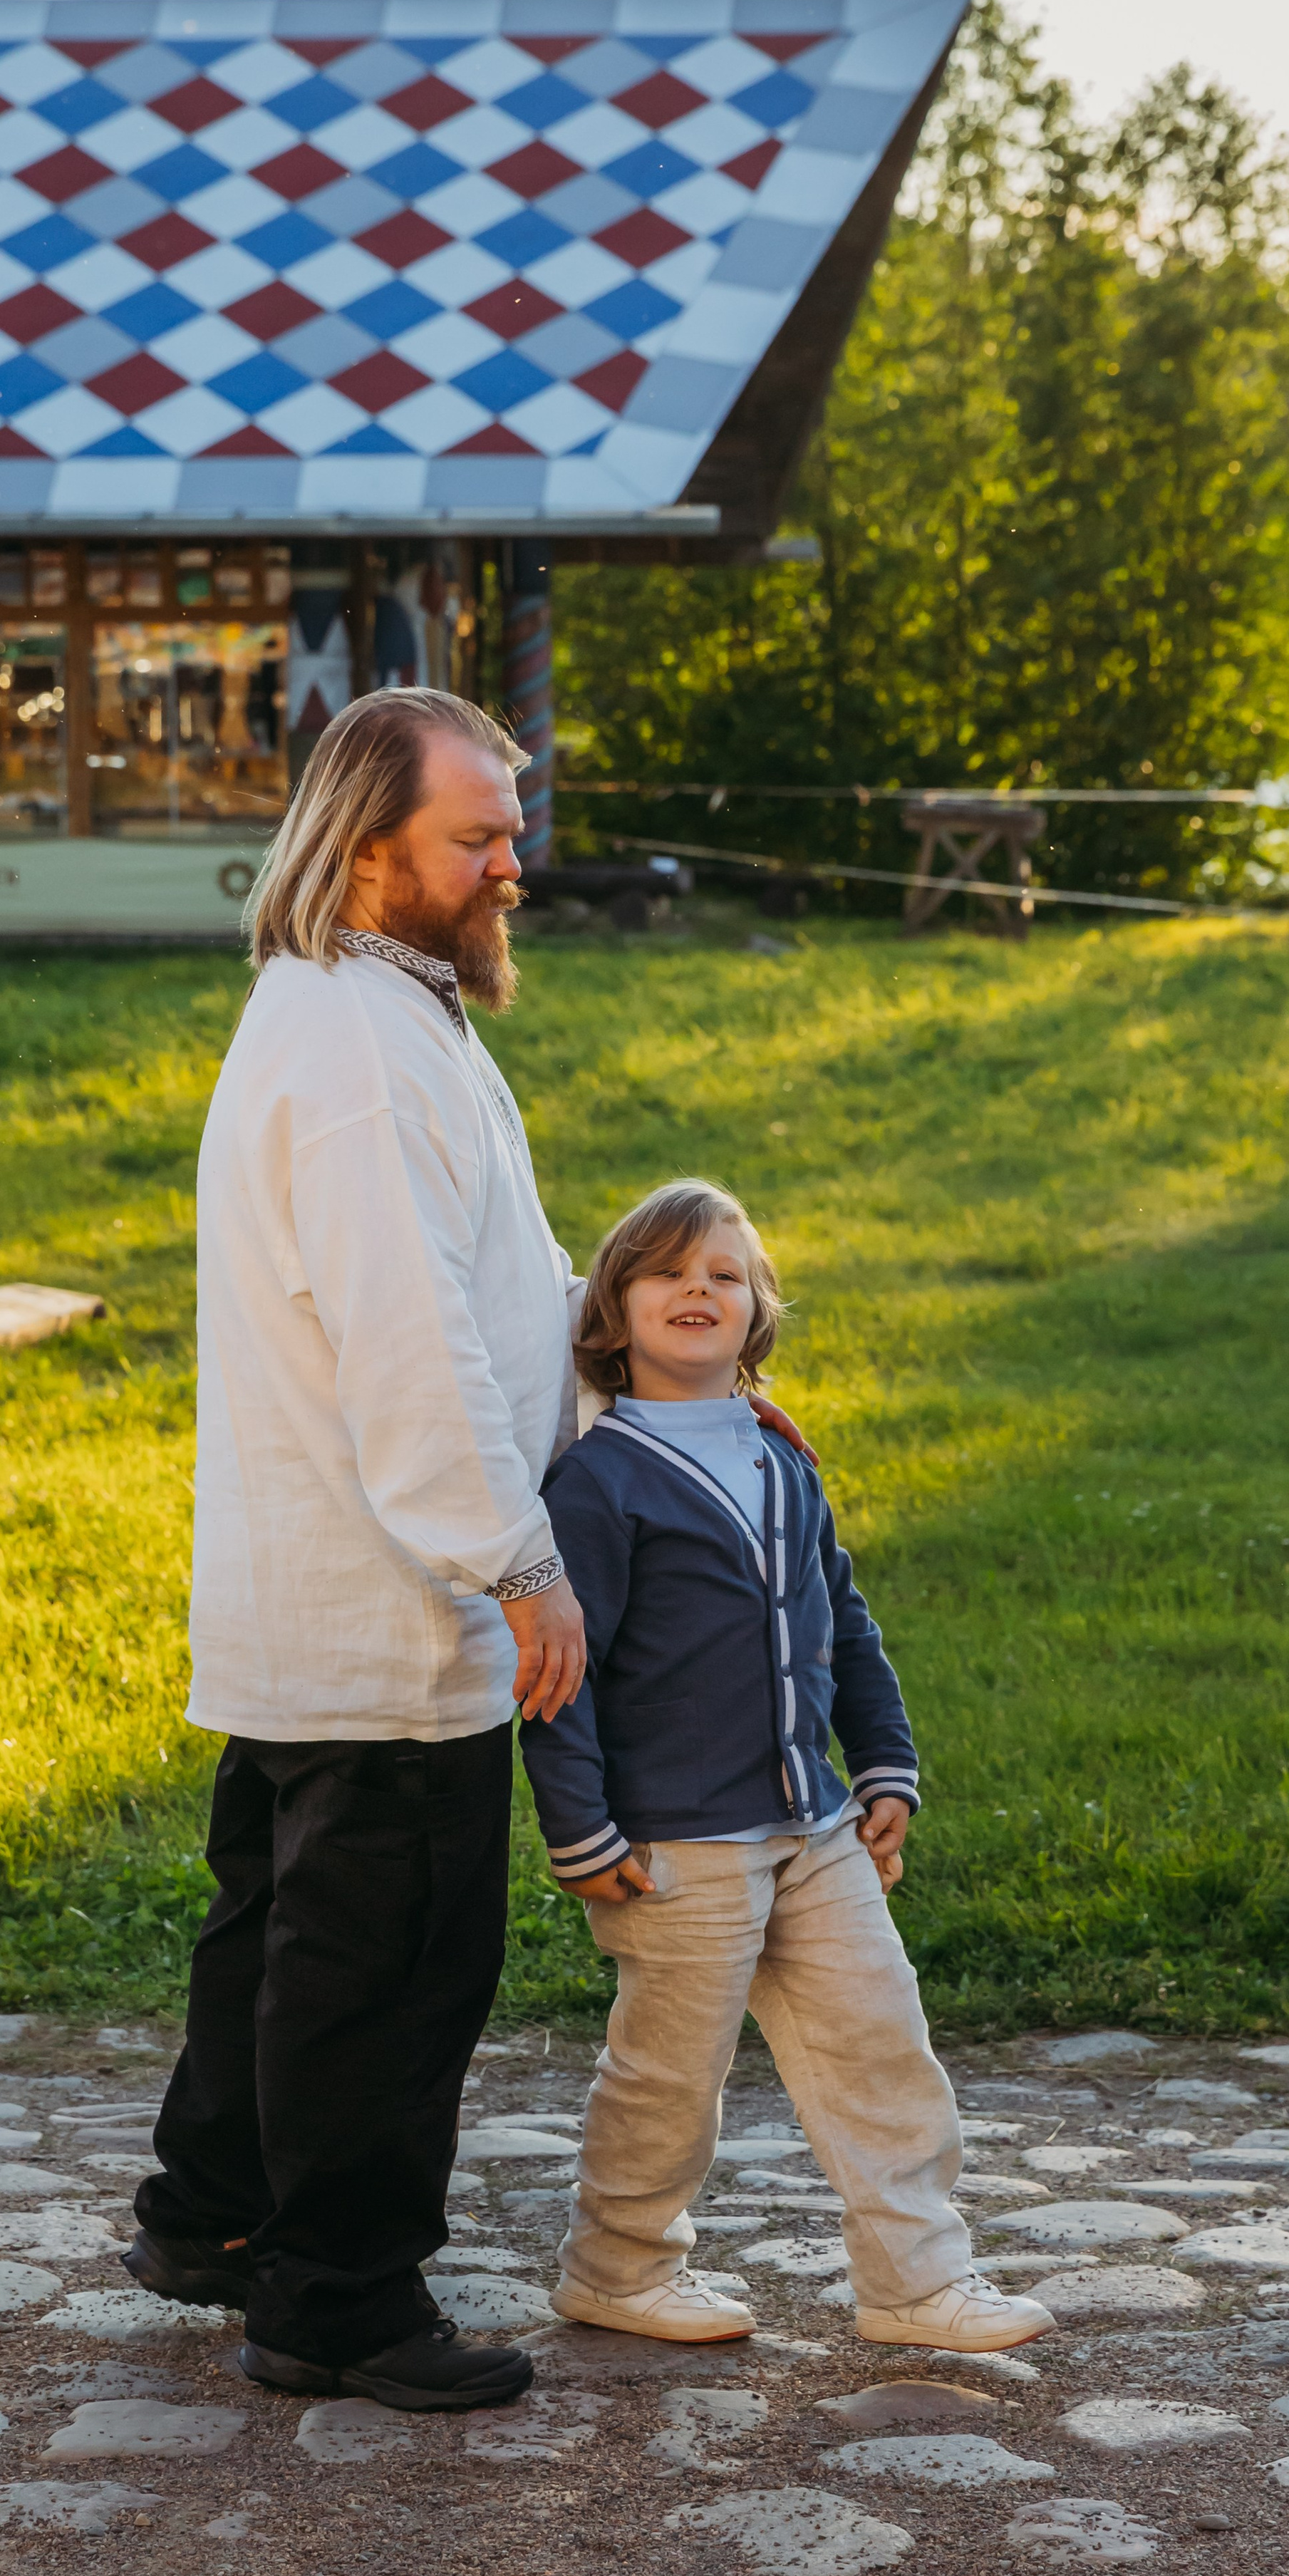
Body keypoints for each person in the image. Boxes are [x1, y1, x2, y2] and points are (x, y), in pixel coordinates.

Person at [123, 692, 809, 2414]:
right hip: (389, 1596)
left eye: (511, 826)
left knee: (278, 1924)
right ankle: (336, 2300)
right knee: (389, 1956)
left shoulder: (371, 1009)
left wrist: (669, 1414)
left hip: (324, 1593)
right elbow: (409, 1335)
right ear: (367, 853)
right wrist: (517, 1562)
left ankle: (211, 2216)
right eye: (476, 838)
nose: (516, 863)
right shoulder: (355, 1045)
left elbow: (501, 1292)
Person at [518, 1179, 1058, 2354]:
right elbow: (565, 1673)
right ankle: (616, 2267)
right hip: (675, 1844)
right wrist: (582, 1829)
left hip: (812, 1826)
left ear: (761, 1309)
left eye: (724, 1273)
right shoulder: (599, 1480)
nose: (695, 1289)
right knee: (668, 2075)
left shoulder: (780, 1454)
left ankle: (916, 2283)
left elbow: (843, 1624)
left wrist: (885, 1766)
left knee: (881, 2043)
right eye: (664, 1272)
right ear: (610, 1311)